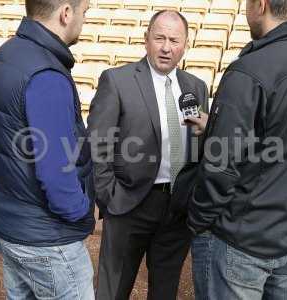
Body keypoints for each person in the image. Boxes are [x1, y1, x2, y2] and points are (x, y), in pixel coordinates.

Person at [186, 0, 287, 299]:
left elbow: (220, 165)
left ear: (260, 4)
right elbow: (284, 139)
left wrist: (197, 221)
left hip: (243, 241)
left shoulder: (250, 69)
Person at [87, 10, 209, 300]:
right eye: (160, 38)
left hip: (176, 210)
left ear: (185, 45)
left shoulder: (196, 87)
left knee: (165, 292)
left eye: (174, 40)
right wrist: (110, 197)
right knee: (112, 291)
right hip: (128, 205)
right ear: (146, 40)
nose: (167, 47)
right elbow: (97, 144)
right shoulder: (117, 81)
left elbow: (201, 146)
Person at [0, 1, 95, 299]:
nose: (86, 15)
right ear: (66, 13)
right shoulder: (46, 74)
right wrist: (80, 210)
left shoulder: (9, 52)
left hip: (10, 224)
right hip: (45, 238)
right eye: (84, 10)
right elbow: (56, 171)